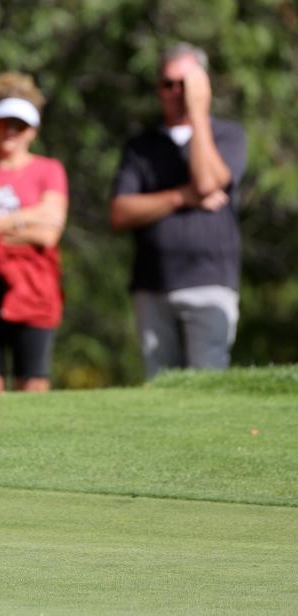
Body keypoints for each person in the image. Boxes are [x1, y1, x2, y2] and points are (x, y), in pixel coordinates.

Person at [110, 43, 247, 378]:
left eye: (184, 84)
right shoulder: (141, 146)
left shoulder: (227, 135)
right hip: (152, 284)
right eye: (167, 84)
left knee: (207, 383)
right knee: (161, 390)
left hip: (209, 281)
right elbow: (121, 212)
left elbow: (206, 182)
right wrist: (179, 197)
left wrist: (198, 113)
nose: (175, 92)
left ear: (203, 86)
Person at [0, 73, 68, 393]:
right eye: (4, 123)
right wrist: (29, 218)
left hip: (35, 290)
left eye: (19, 126)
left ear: (33, 131)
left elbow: (49, 234)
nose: (10, 132)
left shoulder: (48, 170)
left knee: (32, 384)